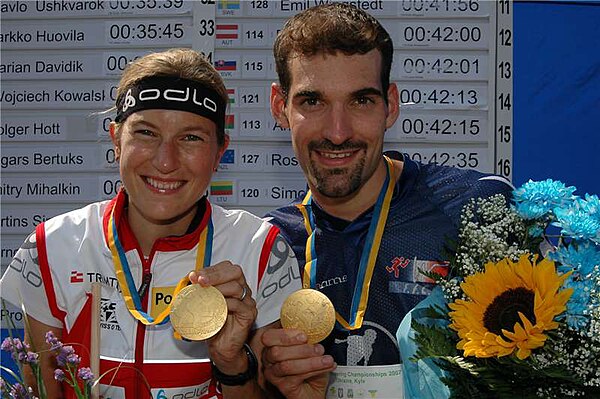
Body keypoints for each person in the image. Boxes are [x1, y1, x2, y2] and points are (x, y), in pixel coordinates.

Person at [0, 48, 301, 399]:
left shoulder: (261, 249)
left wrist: (231, 364)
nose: (165, 161)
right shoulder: (52, 246)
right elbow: (40, 389)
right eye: (146, 133)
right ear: (116, 140)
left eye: (191, 138)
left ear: (220, 152)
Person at [259, 3, 513, 398]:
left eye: (361, 101)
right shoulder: (268, 246)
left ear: (390, 104)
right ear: (280, 106)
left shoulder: (474, 206)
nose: (338, 132)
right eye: (313, 102)